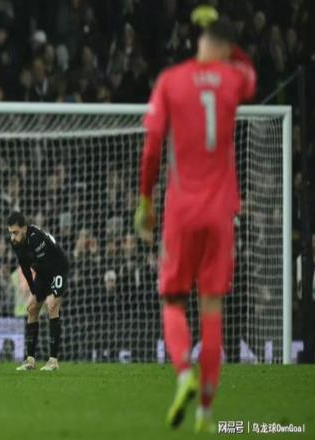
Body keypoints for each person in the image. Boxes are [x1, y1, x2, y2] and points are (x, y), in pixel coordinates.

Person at [134, 12, 256, 433]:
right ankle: (206, 410)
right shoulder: (233, 78)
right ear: (225, 48)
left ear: (198, 42)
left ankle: (184, 371)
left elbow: (152, 149)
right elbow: (250, 74)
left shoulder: (171, 80)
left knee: (172, 301)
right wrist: (229, 39)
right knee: (212, 308)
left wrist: (145, 201)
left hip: (182, 210)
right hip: (221, 212)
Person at [7, 212, 69, 371]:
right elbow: (25, 267)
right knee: (32, 308)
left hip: (58, 268)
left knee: (52, 305)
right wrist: (33, 289)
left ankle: (53, 361)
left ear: (24, 228)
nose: (13, 237)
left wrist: (49, 293)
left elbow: (46, 265)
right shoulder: (16, 242)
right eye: (10, 233)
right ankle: (30, 361)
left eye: (15, 232)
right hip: (43, 271)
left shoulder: (36, 238)